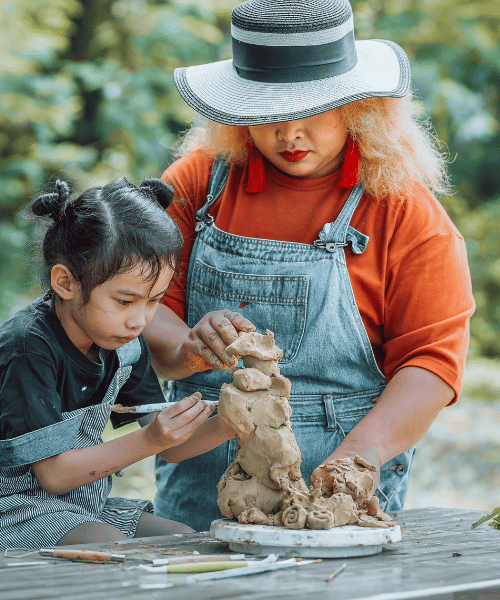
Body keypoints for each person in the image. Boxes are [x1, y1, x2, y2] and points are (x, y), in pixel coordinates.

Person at [144, 0, 475, 532]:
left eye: (313, 111)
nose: (290, 134)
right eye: (269, 114)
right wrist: (185, 347)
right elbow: (142, 307)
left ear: (357, 107)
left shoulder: (404, 209)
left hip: (339, 492)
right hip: (201, 488)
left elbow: (431, 365)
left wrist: (356, 462)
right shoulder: (197, 184)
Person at [0, 177, 235, 550]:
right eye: (125, 301)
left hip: (80, 504)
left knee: (182, 539)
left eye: (154, 301)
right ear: (66, 282)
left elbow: (170, 449)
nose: (139, 320)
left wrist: (229, 422)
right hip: (13, 509)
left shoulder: (124, 345)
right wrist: (151, 437)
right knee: (105, 544)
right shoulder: (29, 347)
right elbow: (55, 475)